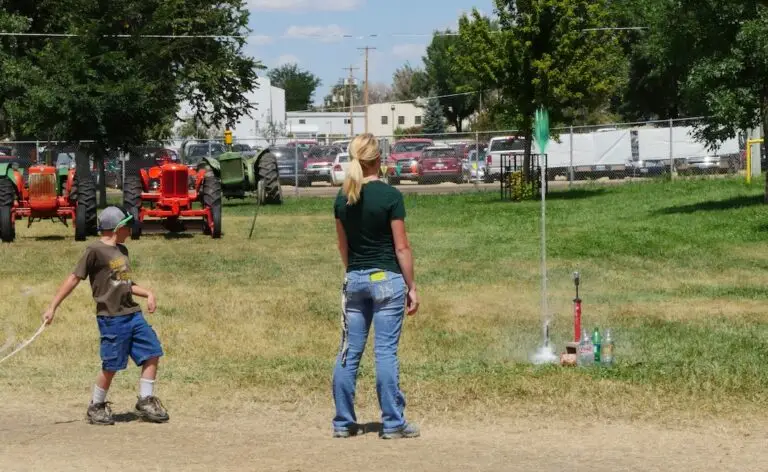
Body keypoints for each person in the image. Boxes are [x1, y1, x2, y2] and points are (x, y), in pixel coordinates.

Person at [42, 206, 169, 426]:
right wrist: (53, 306)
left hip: (132, 314)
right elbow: (74, 278)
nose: (131, 230)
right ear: (117, 227)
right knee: (111, 365)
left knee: (152, 352)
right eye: (127, 226)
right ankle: (96, 406)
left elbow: (125, 283)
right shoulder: (94, 250)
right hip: (111, 318)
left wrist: (148, 292)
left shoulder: (122, 250)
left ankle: (146, 400)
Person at [332, 133, 420, 439]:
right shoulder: (390, 196)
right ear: (378, 160)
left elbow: (343, 248)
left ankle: (344, 422)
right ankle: (393, 423)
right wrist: (412, 286)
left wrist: (355, 273)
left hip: (354, 280)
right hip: (387, 282)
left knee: (348, 352)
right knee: (384, 353)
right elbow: (402, 248)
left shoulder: (342, 198)